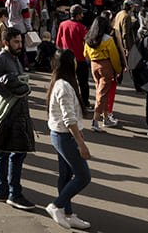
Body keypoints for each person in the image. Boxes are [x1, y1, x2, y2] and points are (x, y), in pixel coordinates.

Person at [0, 27, 35, 211]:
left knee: (4, 152)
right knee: (16, 152)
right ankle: (14, 194)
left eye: (20, 42)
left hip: (15, 111)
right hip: (8, 113)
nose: (20, 45)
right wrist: (8, 93)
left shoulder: (13, 58)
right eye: (16, 42)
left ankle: (3, 192)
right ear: (6, 43)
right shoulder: (0, 59)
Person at [46, 49, 92, 230]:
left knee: (65, 175)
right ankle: (57, 206)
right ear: (68, 64)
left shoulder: (60, 83)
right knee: (83, 176)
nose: (76, 62)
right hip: (64, 136)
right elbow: (69, 119)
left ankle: (67, 212)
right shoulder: (64, 86)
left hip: (61, 134)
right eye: (74, 60)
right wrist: (81, 144)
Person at [83, 14, 122, 130]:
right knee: (103, 93)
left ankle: (105, 117)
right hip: (106, 66)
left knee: (100, 91)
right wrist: (118, 69)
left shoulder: (88, 38)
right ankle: (95, 120)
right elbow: (114, 57)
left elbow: (85, 54)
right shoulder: (108, 40)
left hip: (93, 65)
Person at [55, 4, 91, 111]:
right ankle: (84, 103)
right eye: (81, 14)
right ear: (78, 15)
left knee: (67, 82)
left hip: (66, 58)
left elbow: (58, 42)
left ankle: (67, 102)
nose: (83, 16)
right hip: (80, 58)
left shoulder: (62, 25)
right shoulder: (81, 27)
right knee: (83, 83)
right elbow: (87, 42)